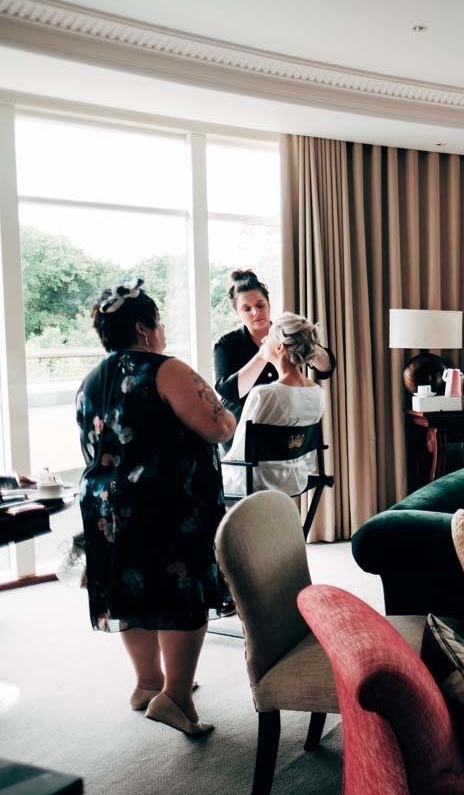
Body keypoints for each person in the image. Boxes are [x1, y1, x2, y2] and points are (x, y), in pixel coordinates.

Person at [75, 278, 237, 736]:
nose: (163, 330)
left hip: (106, 507)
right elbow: (219, 427)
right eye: (159, 322)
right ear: (145, 329)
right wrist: (219, 406)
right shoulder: (166, 369)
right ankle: (176, 697)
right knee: (184, 596)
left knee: (133, 590)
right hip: (165, 505)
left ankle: (147, 682)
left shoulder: (91, 380)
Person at [213, 270, 335, 426]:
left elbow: (326, 368)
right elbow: (229, 392)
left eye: (260, 305)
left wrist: (305, 342)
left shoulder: (286, 333)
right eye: (246, 309)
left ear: (269, 304)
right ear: (237, 312)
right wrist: (264, 353)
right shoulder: (226, 345)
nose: (256, 312)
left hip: (287, 425)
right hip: (244, 433)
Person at [222, 312, 326, 497]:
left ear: (279, 347)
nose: (263, 340)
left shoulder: (264, 394)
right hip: (296, 479)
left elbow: (240, 454)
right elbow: (308, 458)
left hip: (258, 482)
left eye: (268, 336)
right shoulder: (317, 394)